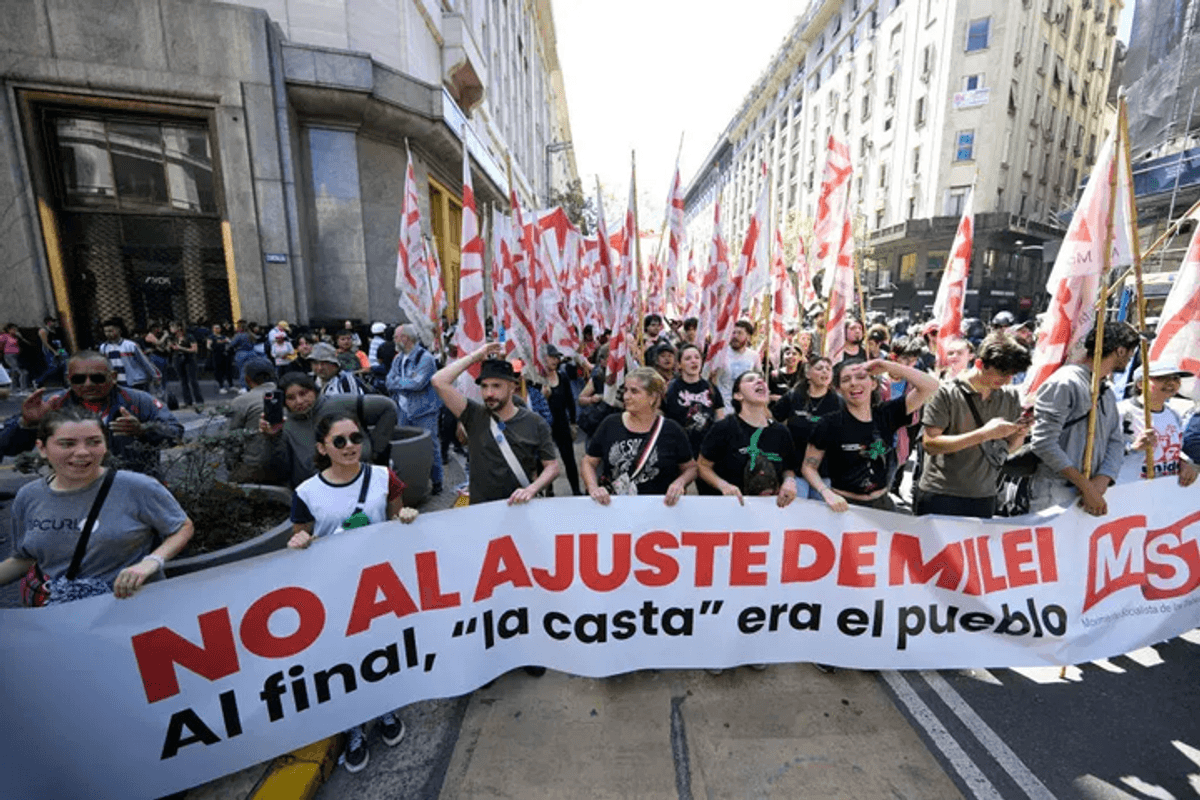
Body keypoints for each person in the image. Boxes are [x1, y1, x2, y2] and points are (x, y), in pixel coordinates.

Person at [287, 412, 416, 772]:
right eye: (340, 441)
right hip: (335, 590)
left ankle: (385, 709)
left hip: (379, 588)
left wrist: (404, 519)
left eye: (355, 438)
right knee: (343, 659)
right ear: (322, 447)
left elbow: (394, 521)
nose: (350, 447)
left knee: (380, 651)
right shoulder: (307, 493)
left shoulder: (381, 476)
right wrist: (298, 541)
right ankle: (353, 726)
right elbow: (301, 539)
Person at [0, 408, 193, 602]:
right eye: (67, 444)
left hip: (132, 610)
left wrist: (152, 562)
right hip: (60, 617)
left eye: (94, 442)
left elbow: (182, 526)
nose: (83, 452)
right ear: (42, 449)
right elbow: (24, 558)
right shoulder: (28, 496)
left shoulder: (137, 487)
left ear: (105, 445)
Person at [0, 351, 183, 473]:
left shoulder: (139, 400)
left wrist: (142, 430)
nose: (88, 384)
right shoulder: (52, 404)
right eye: (79, 379)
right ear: (68, 379)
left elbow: (175, 433)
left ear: (112, 377)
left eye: (97, 378)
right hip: (76, 491)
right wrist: (27, 424)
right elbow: (8, 447)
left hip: (136, 489)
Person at [1028, 321, 1141, 516]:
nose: (1131, 357)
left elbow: (1115, 440)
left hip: (1094, 493)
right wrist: (1085, 486)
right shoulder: (1065, 382)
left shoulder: (1107, 391)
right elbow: (1044, 443)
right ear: (1121, 351)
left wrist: (1103, 479)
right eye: (1131, 351)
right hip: (1056, 491)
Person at [916, 332, 1033, 518]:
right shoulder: (944, 393)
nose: (1007, 380)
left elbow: (1008, 449)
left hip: (984, 496)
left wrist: (1020, 432)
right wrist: (984, 434)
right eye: (1002, 374)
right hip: (941, 494)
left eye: (1012, 375)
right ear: (979, 364)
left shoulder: (1009, 397)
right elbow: (930, 444)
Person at [803, 358, 939, 512]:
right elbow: (809, 467)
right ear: (839, 389)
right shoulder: (828, 424)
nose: (854, 383)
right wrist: (825, 492)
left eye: (861, 377)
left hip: (882, 506)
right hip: (844, 506)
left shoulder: (887, 414)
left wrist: (887, 365)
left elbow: (931, 386)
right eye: (846, 380)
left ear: (874, 384)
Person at [432, 343, 560, 505]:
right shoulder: (474, 415)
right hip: (482, 511)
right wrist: (476, 356)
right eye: (484, 386)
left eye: (496, 386)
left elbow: (552, 467)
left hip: (519, 508)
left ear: (513, 387)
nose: (489, 393)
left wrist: (532, 489)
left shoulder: (535, 422)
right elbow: (438, 381)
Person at [255, 372, 398, 488]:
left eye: (303, 393)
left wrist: (375, 451)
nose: (299, 401)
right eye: (291, 398)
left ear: (314, 390)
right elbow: (276, 469)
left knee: (364, 520)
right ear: (283, 402)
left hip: (360, 481)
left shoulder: (340, 403)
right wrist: (271, 438)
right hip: (319, 494)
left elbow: (388, 408)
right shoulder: (285, 424)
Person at [583, 366, 696, 505]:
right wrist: (593, 488)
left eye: (634, 391)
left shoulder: (672, 430)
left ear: (652, 397)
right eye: (625, 390)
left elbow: (691, 467)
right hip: (615, 508)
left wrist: (680, 483)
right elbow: (589, 462)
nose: (626, 396)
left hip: (658, 510)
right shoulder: (610, 424)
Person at [698, 370, 799, 506]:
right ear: (738, 395)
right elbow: (702, 466)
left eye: (762, 379)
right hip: (730, 510)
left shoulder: (781, 432)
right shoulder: (724, 428)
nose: (760, 381)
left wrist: (789, 481)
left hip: (769, 512)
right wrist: (723, 485)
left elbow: (788, 468)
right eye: (751, 379)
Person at [1116, 361, 1198, 486]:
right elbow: (1100, 454)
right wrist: (1133, 448)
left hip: (1163, 492)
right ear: (1140, 384)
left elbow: (1172, 450)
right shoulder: (1121, 412)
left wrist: (1184, 462)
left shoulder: (1174, 415)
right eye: (1162, 378)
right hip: (1129, 491)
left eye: (1176, 378)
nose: (1171, 383)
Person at [387, 324, 444, 495]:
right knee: (407, 447)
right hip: (403, 410)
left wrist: (399, 383)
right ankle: (413, 481)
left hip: (424, 411)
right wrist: (404, 383)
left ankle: (437, 481)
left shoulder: (425, 358)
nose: (394, 340)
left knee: (430, 445)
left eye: (396, 337)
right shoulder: (398, 358)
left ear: (405, 338)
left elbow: (417, 383)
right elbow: (388, 381)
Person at [773, 356, 840, 499]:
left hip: (824, 473)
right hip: (795, 470)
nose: (825, 372)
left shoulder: (839, 402)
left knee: (820, 516)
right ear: (808, 374)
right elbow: (773, 419)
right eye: (819, 368)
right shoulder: (793, 396)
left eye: (828, 369)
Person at [663, 344, 725, 470]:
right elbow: (662, 417)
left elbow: (720, 418)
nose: (693, 361)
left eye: (697, 357)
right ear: (679, 364)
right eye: (688, 358)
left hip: (706, 450)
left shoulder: (711, 388)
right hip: (679, 449)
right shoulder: (671, 389)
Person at [226, 358, 278, 483]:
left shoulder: (242, 401)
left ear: (248, 379)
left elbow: (231, 440)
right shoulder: (290, 394)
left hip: (253, 465)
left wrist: (232, 466)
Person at [541, 345, 582, 496]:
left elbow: (570, 401)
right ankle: (548, 490)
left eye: (557, 357)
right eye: (551, 357)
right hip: (543, 426)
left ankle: (576, 490)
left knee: (569, 459)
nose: (555, 360)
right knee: (546, 461)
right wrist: (542, 396)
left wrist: (573, 422)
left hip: (561, 423)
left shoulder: (562, 376)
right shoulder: (536, 380)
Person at [99, 318, 159, 392]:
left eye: (110, 331)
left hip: (135, 382)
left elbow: (144, 361)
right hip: (118, 382)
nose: (108, 333)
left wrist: (155, 376)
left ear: (119, 330)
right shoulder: (104, 348)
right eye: (106, 331)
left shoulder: (130, 345)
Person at [714, 320, 761, 408]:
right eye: (733, 333)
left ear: (748, 337)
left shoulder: (754, 356)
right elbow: (713, 380)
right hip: (725, 407)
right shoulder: (721, 353)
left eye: (740, 333)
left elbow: (758, 381)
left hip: (746, 408)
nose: (735, 336)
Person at [167, 321, 204, 410]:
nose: (170, 329)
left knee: (193, 381)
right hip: (177, 359)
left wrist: (181, 348)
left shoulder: (189, 336)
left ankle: (199, 401)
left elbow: (194, 349)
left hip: (189, 359)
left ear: (179, 328)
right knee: (183, 381)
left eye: (172, 326)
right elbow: (169, 349)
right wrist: (169, 347)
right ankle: (188, 401)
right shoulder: (172, 338)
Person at [33, 316, 66, 388]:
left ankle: (65, 383)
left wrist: (62, 350)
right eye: (53, 322)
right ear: (49, 322)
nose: (54, 323)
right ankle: (38, 380)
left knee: (64, 364)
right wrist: (54, 351)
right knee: (53, 367)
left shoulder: (54, 330)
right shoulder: (43, 330)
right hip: (49, 351)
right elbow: (45, 343)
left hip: (59, 349)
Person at [1, 323, 31, 394]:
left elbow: (25, 343)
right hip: (9, 356)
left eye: (16, 329)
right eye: (13, 329)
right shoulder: (5, 336)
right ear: (9, 330)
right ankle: (23, 389)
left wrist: (21, 338)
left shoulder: (16, 337)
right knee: (20, 372)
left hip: (16, 356)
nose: (15, 331)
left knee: (14, 372)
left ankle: (12, 389)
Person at [208, 323, 234, 394]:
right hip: (217, 356)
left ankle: (231, 385)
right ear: (213, 329)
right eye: (215, 328)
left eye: (218, 328)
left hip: (225, 355)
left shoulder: (223, 336)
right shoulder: (211, 337)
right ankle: (221, 386)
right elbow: (209, 346)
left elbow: (230, 342)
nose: (217, 329)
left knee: (228, 370)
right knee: (219, 372)